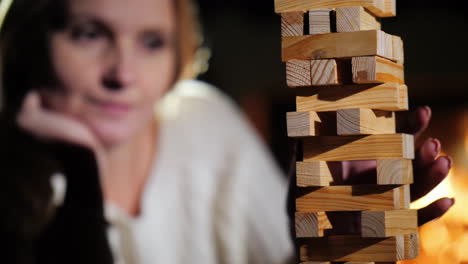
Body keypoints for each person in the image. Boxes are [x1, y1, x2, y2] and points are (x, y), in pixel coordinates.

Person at [0, 0, 454, 263]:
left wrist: (323, 252)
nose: (123, 74)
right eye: (88, 35)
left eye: (152, 42)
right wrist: (83, 184)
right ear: (28, 43)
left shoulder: (204, 122)